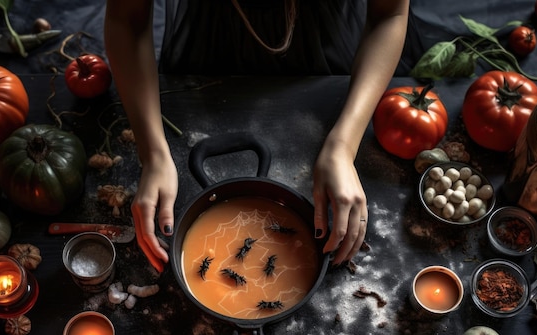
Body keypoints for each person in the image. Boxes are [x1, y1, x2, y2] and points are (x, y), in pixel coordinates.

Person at [104, 0, 410, 273]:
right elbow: (126, 19)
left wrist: (343, 146)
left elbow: (390, 13)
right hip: (203, 63)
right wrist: (153, 154)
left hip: (326, 68)